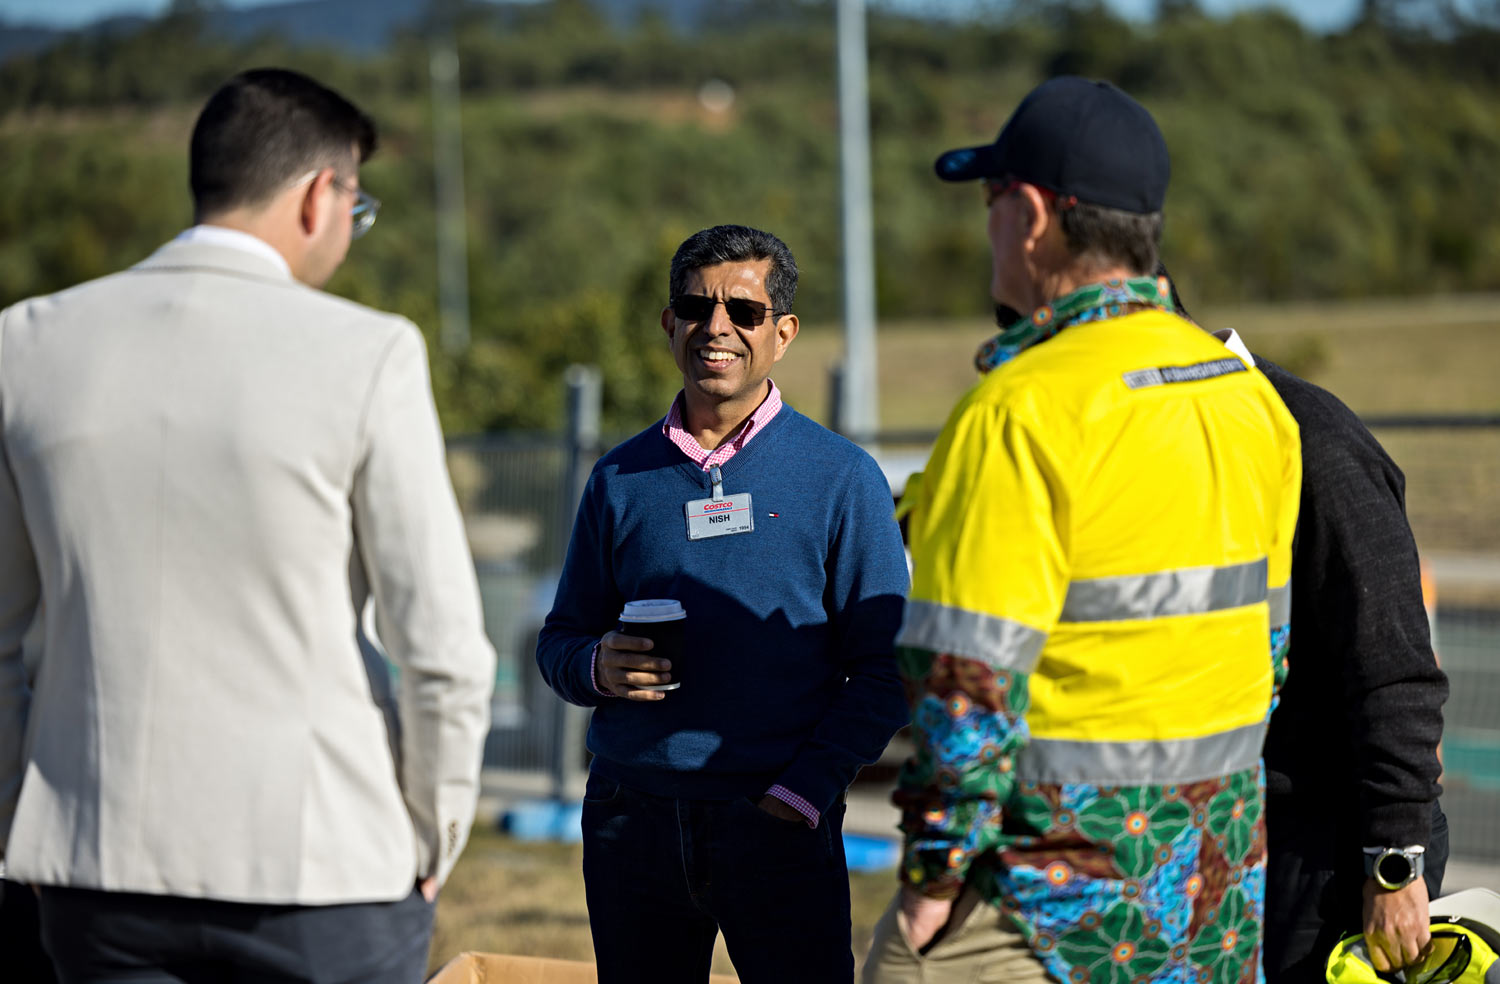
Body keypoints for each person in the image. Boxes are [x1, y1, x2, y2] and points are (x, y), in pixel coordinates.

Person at [0, 67, 496, 983]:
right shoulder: (368, 352)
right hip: (324, 866)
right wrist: (432, 835)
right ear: (321, 196)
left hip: (92, 869)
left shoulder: (25, 342)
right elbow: (441, 649)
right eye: (360, 204)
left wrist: (19, 828)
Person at [862, 76, 1302, 984]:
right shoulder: (1249, 399)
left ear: (1028, 215)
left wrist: (932, 886)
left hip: (1052, 907)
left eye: (989, 203)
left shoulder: (1018, 413)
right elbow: (1272, 650)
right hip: (1211, 897)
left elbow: (966, 688)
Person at [535, 224, 910, 984]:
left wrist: (803, 793)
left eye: (743, 311)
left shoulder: (841, 477)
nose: (717, 328)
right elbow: (560, 640)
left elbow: (886, 672)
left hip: (778, 819)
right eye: (696, 307)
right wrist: (596, 666)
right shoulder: (618, 478)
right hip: (629, 816)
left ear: (782, 332)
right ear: (669, 323)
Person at [1159, 272, 1450, 983]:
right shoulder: (1181, 447)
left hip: (1328, 851)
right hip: (1231, 835)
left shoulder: (1311, 439)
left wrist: (1393, 865)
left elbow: (1395, 669)